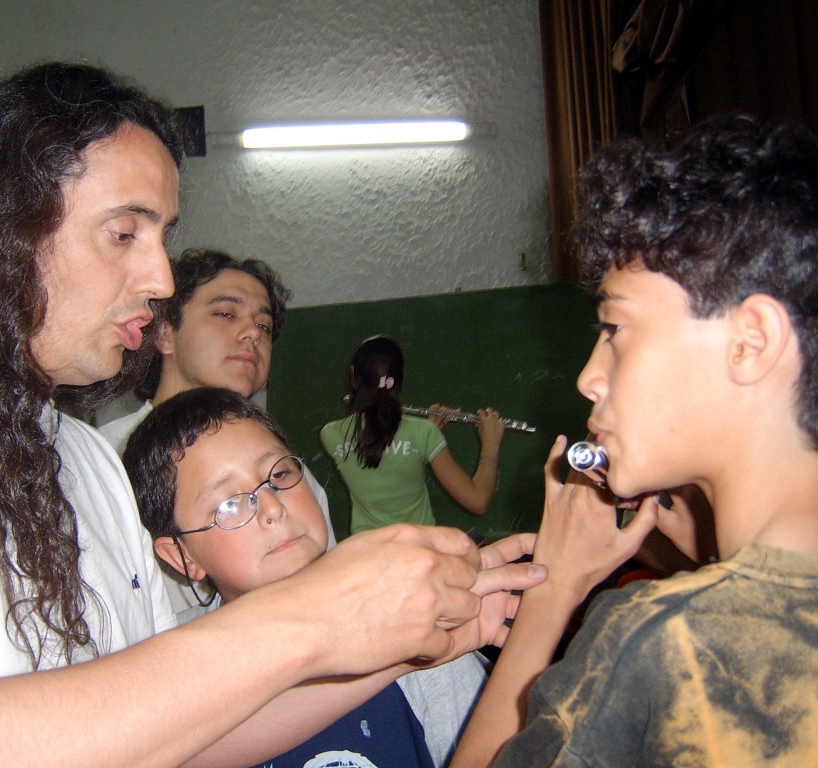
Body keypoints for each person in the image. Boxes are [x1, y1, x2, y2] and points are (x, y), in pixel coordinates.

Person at [0, 61, 548, 768]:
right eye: (124, 233)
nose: (158, 279)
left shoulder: (81, 457)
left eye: (162, 239)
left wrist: (400, 641)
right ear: (2, 231)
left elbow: (181, 733)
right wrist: (313, 616)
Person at [450, 114, 818, 767]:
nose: (591, 377)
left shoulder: (661, 643)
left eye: (615, 328)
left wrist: (554, 587)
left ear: (751, 342)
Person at [126, 386, 492, 766]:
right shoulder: (162, 676)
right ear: (181, 554)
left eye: (279, 473)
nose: (272, 507)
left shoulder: (414, 622)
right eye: (228, 503)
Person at [98, 247, 336, 614]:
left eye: (264, 325)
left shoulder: (294, 482)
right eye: (225, 313)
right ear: (164, 334)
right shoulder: (100, 462)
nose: (252, 334)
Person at [321, 335, 505, 534]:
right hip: (419, 552)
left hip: (368, 554)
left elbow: (378, 445)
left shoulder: (330, 435)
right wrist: (490, 444)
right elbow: (477, 501)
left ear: (352, 374)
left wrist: (422, 435)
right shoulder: (421, 433)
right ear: (401, 377)